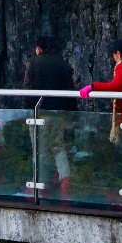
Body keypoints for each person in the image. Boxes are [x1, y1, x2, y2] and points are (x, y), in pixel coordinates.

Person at [23, 34, 77, 189]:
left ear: (38, 48)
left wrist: (28, 111)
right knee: (58, 146)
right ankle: (65, 179)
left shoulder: (33, 63)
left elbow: (27, 89)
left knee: (40, 149)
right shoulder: (63, 63)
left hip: (40, 113)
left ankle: (41, 183)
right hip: (60, 112)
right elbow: (70, 88)